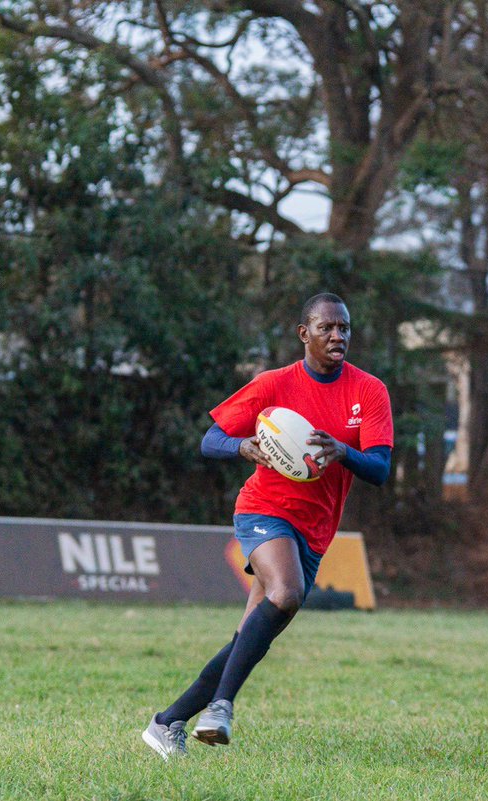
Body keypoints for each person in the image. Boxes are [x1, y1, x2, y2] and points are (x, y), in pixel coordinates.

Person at [141, 292, 393, 759]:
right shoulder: (273, 384)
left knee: (247, 642)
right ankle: (221, 708)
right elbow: (210, 438)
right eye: (327, 328)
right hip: (263, 509)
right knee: (288, 592)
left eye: (345, 328)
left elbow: (379, 468)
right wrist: (242, 448)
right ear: (304, 334)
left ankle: (167, 721)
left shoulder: (369, 390)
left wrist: (344, 451)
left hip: (315, 531)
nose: (338, 336)